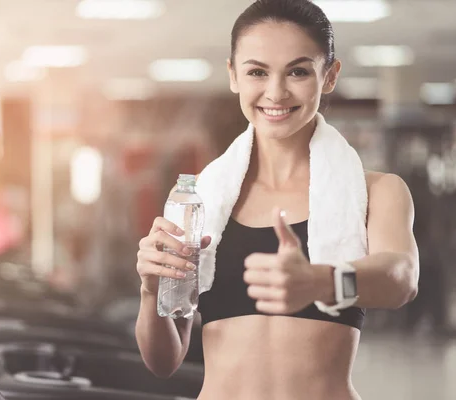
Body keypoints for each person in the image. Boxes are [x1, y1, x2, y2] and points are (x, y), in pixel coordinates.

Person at [135, 1, 419, 399]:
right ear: (233, 75)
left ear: (330, 75)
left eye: (299, 71)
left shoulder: (377, 191)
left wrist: (320, 281)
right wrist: (152, 290)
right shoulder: (196, 199)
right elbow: (163, 361)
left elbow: (400, 281)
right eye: (257, 72)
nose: (276, 92)